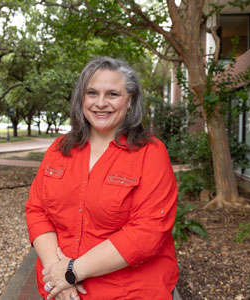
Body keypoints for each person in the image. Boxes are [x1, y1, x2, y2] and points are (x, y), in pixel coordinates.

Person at [25, 57, 178, 300]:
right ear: (81, 98)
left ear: (130, 100)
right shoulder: (59, 149)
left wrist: (72, 272)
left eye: (113, 94)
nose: (100, 103)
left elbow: (148, 231)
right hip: (61, 292)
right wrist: (58, 276)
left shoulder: (150, 153)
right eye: (92, 93)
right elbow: (37, 211)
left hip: (128, 292)